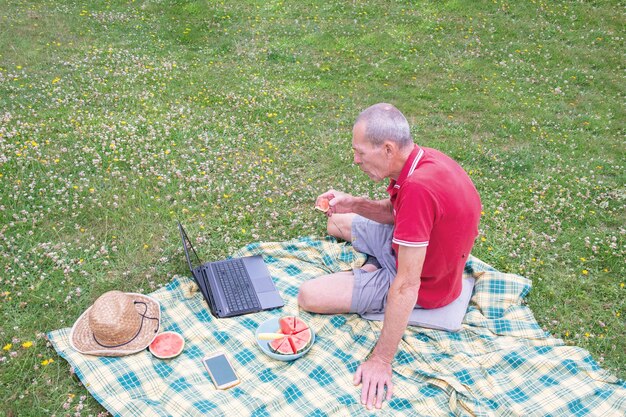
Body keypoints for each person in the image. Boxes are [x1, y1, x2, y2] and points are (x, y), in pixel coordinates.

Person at [297, 103, 482, 410]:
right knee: (336, 220)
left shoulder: (419, 190)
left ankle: (375, 269)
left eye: (360, 152)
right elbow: (395, 212)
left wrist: (381, 360)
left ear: (387, 148)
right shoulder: (422, 160)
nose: (355, 160)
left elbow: (407, 285)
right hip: (419, 247)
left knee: (309, 295)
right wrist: (352, 203)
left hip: (427, 285)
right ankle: (373, 264)